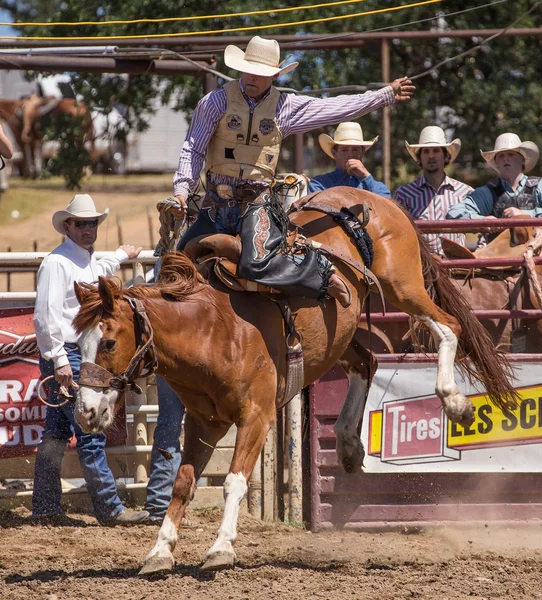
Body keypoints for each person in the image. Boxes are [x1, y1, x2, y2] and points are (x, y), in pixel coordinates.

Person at [168, 35, 414, 308]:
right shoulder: (215, 102)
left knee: (256, 262)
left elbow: (335, 108)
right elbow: (193, 149)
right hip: (215, 204)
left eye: (260, 73)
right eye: (249, 70)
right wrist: (181, 192)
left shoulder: (284, 107)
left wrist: (384, 95)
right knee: (174, 263)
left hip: (255, 204)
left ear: (273, 76)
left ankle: (323, 276)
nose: (252, 77)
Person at [32, 194, 149, 526]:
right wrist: (58, 360)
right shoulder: (57, 264)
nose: (88, 229)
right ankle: (110, 508)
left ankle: (44, 508)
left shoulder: (80, 259)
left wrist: (120, 255)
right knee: (90, 429)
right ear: (68, 226)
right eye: (81, 223)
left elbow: (97, 268)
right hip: (68, 354)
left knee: (56, 432)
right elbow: (45, 317)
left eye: (92, 223)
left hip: (74, 353)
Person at [393, 126, 473, 256]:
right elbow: (396, 232)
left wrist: (479, 255)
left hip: (457, 266)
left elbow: (482, 229)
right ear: (419, 158)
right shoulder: (404, 194)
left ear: (446, 156)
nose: (431, 156)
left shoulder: (465, 192)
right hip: (421, 269)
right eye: (426, 152)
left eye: (436, 151)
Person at [447, 132, 542, 225]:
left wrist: (524, 214)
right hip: (499, 241)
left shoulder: (539, 186)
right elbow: (453, 213)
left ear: (522, 159)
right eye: (501, 155)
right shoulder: (487, 192)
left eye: (510, 154)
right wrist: (481, 220)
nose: (505, 158)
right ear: (496, 163)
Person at [308, 121, 390, 196]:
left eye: (355, 149)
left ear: (362, 152)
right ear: (334, 153)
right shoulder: (319, 184)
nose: (350, 154)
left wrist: (366, 176)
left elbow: (388, 205)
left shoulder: (377, 187)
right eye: (344, 150)